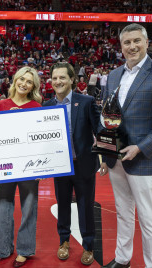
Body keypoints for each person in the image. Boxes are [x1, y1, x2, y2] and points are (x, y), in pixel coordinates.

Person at [101, 23, 152, 268]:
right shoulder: (114, 75)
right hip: (116, 158)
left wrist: (141, 147)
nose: (132, 46)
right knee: (123, 212)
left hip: (143, 158)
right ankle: (123, 259)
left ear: (147, 43)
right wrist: (104, 151)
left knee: (148, 218)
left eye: (137, 41)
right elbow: (107, 115)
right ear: (121, 46)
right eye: (127, 42)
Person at [42, 62, 104, 266]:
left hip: (83, 164)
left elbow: (100, 130)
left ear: (71, 80)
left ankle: (88, 246)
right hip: (59, 166)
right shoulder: (47, 106)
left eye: (62, 77)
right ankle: (64, 241)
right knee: (63, 206)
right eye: (54, 78)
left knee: (86, 207)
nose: (58, 81)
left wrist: (107, 158)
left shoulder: (86, 102)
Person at [0, 66, 42, 267]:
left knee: (29, 206)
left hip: (29, 164)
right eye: (22, 79)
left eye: (29, 82)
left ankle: (25, 249)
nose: (24, 84)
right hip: (5, 162)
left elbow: (39, 139)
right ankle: (2, 248)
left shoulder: (36, 107)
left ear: (33, 87)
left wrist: (41, 167)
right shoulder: (1, 105)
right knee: (2, 205)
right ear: (15, 80)